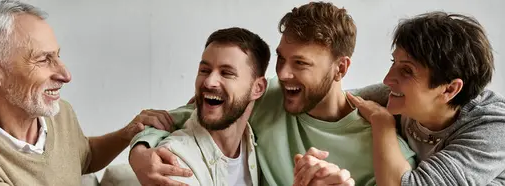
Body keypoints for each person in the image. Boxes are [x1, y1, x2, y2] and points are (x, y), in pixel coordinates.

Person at [127, 2, 416, 186]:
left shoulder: (383, 146)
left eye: (300, 63)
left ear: (340, 69)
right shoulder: (266, 96)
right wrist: (139, 153)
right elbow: (181, 118)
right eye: (281, 59)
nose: (283, 73)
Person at [0, 1, 152, 185]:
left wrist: (128, 134)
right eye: (44, 59)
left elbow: (82, 156)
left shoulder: (59, 112)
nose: (65, 74)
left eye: (57, 56)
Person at [346, 11, 505, 185]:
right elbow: (334, 101)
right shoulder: (402, 97)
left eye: (407, 70)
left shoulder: (494, 128)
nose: (387, 79)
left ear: (449, 90)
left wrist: (383, 124)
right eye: (394, 63)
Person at [156, 27, 268, 186]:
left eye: (226, 73)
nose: (209, 82)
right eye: (204, 70)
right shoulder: (174, 158)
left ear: (257, 88)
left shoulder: (254, 143)